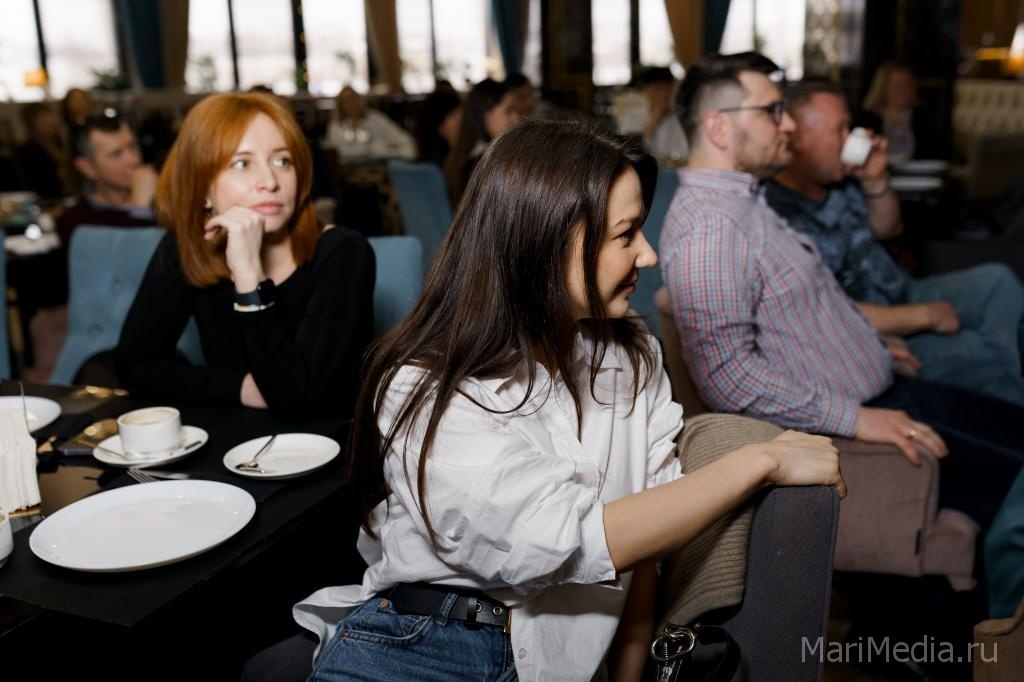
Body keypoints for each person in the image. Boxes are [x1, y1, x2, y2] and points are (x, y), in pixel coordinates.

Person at [293, 119, 845, 681]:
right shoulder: (425, 384)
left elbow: (646, 545)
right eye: (626, 235)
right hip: (423, 640)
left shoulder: (631, 357)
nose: (648, 255)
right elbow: (567, 539)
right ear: (546, 243)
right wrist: (760, 461)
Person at [662, 53, 1023, 581]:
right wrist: (858, 420)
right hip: (868, 417)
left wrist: (869, 342)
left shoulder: (743, 203)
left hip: (890, 388)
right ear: (718, 127)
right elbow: (728, 377)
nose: (787, 124)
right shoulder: (711, 230)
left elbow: (800, 304)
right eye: (772, 111)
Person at [116, 93, 375, 418]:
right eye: (242, 164)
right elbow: (134, 366)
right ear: (202, 189)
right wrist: (237, 387)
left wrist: (249, 275)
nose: (270, 181)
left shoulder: (344, 252)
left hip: (329, 442)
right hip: (234, 441)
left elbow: (296, 396)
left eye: (283, 161)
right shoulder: (186, 247)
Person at [766, 83, 1024, 406]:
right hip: (867, 325)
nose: (849, 139)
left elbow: (888, 229)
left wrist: (875, 178)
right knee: (983, 353)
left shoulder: (837, 179)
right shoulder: (777, 212)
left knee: (997, 280)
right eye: (839, 130)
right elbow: (818, 312)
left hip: (902, 289)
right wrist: (925, 316)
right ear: (796, 138)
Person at [56, 113, 159, 245]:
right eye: (116, 154)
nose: (133, 160)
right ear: (88, 168)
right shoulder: (76, 223)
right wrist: (141, 209)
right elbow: (128, 255)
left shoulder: (162, 201)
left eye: (133, 146)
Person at [444, 78, 520, 204]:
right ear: (485, 114)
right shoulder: (485, 164)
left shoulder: (465, 157)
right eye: (509, 111)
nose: (516, 118)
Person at [856, 62, 946, 161]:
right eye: (895, 84)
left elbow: (938, 153)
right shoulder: (866, 120)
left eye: (906, 84)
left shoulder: (923, 118)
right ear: (882, 87)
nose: (901, 89)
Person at [323, 86, 415, 161]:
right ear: (340, 104)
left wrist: (387, 149)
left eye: (353, 99)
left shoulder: (376, 119)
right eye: (346, 101)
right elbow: (336, 151)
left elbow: (405, 142)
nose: (351, 104)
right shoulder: (336, 125)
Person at [15, 102, 70, 199]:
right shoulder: (28, 151)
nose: (49, 121)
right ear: (31, 124)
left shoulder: (60, 143)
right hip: (47, 200)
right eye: (41, 118)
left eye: (49, 116)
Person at [636, 66, 689, 166]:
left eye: (668, 88)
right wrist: (651, 125)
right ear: (646, 89)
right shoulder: (632, 118)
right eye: (658, 88)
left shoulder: (680, 119)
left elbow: (683, 156)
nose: (664, 94)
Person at [414, 88, 462, 167]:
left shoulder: (428, 157)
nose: (461, 121)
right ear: (439, 124)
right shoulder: (443, 164)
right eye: (454, 115)